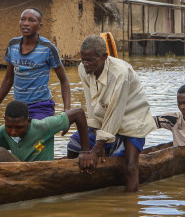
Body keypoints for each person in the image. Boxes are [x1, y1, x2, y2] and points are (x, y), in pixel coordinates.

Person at [66, 34, 157, 192]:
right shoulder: (83, 69)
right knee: (74, 147)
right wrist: (92, 148)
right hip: (104, 119)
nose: (85, 64)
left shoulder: (119, 73)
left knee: (129, 167)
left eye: (90, 60)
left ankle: (130, 210)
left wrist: (98, 147)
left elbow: (116, 112)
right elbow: (91, 104)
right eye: (83, 60)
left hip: (132, 119)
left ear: (104, 57)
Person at [0, 8, 71, 125]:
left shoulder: (48, 48)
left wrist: (66, 113)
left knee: (37, 134)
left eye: (31, 20)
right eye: (23, 19)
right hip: (19, 107)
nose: (26, 23)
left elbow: (64, 81)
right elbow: (8, 79)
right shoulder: (13, 45)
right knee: (14, 138)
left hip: (41, 105)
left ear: (40, 26)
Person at [0, 101, 95, 170]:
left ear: (28, 121)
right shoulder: (3, 131)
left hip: (37, 171)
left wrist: (85, 151)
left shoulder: (44, 126)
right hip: (17, 170)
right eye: (9, 126)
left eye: (19, 127)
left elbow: (79, 113)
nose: (13, 132)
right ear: (5, 120)